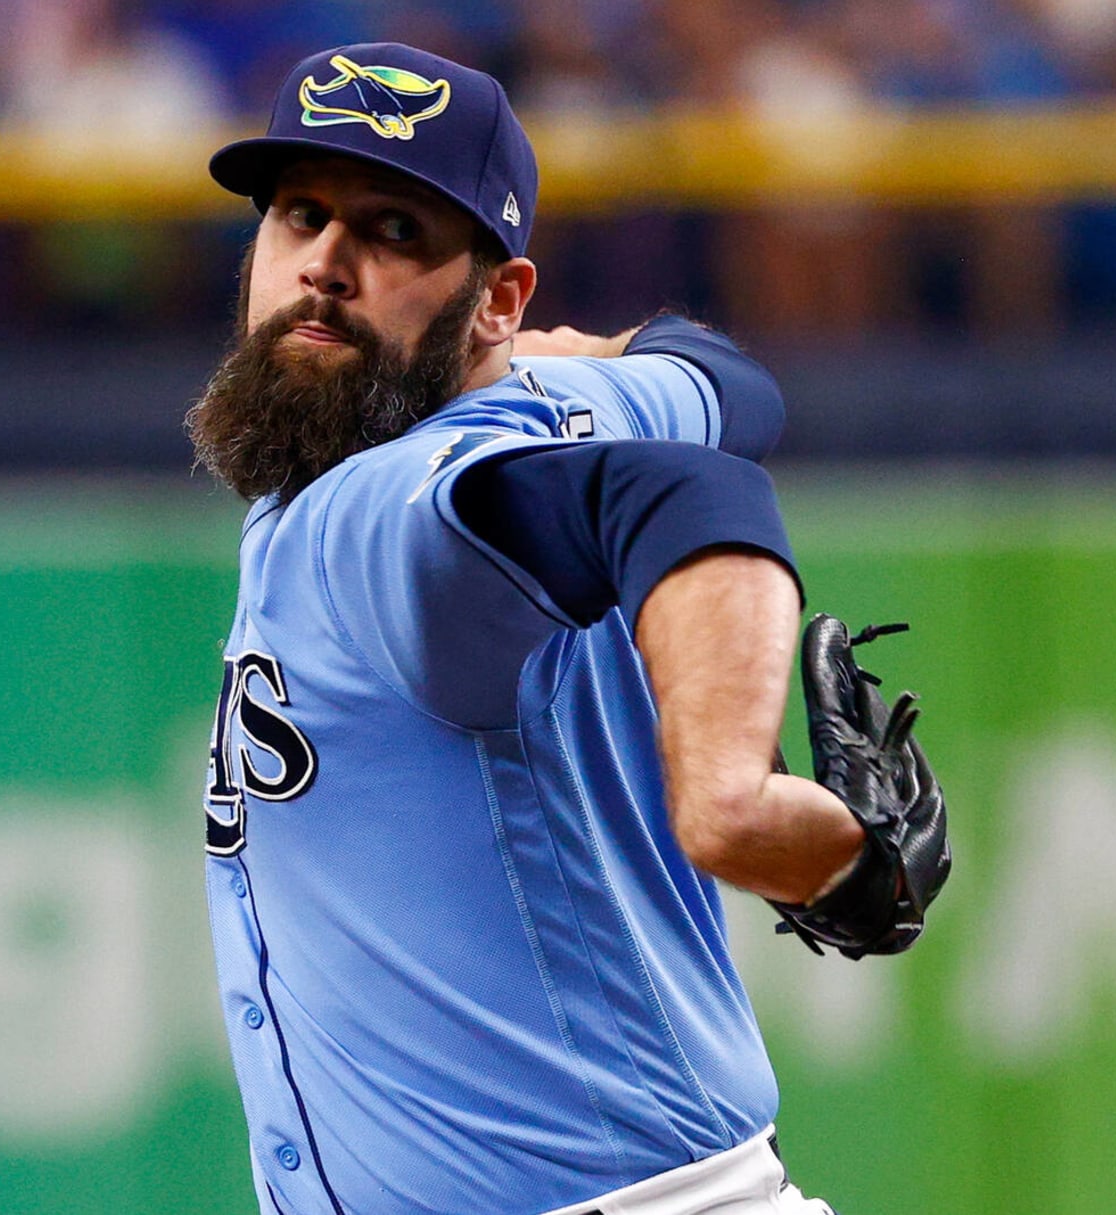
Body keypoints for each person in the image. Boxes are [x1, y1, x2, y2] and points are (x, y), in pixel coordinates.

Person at [187, 42, 867, 1215]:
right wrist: (603, 359)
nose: (326, 268)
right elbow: (732, 388)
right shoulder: (533, 404)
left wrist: (730, 799)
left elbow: (687, 493)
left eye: (396, 231)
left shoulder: (377, 510)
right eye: (301, 214)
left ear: (499, 302)